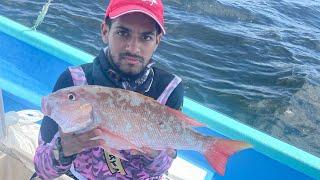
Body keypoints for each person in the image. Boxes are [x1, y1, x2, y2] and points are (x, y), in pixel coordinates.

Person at [33, 0, 184, 179]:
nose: (133, 48)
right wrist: (63, 151)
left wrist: (154, 153)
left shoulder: (169, 88)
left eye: (146, 37)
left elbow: (159, 169)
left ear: (157, 41)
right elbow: (42, 169)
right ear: (105, 31)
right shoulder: (74, 82)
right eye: (122, 33)